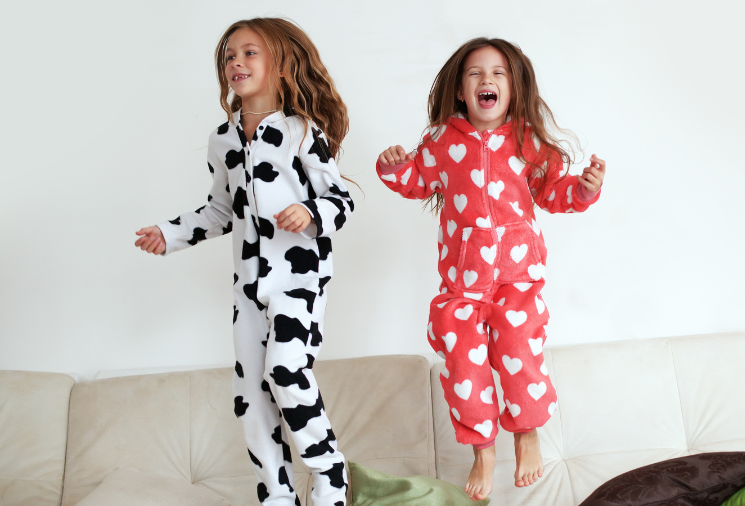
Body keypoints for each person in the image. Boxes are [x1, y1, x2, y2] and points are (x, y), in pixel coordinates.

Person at [135, 18, 353, 506]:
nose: (237, 62)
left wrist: (310, 213)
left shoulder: (301, 132)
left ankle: (329, 475)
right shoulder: (223, 140)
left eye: (250, 53)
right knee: (249, 391)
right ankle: (276, 491)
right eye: (230, 55)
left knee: (286, 369)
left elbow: (340, 198)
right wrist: (168, 234)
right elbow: (219, 210)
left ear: (281, 64)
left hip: (299, 278)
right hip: (247, 288)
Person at [376, 37, 605, 501]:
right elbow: (419, 182)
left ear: (514, 88)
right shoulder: (442, 142)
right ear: (461, 90)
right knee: (462, 361)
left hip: (518, 277)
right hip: (462, 283)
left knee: (519, 353)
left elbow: (552, 193)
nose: (487, 80)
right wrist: (394, 167)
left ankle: (526, 433)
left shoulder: (528, 141)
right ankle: (482, 449)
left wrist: (582, 189)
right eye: (476, 73)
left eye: (498, 73)